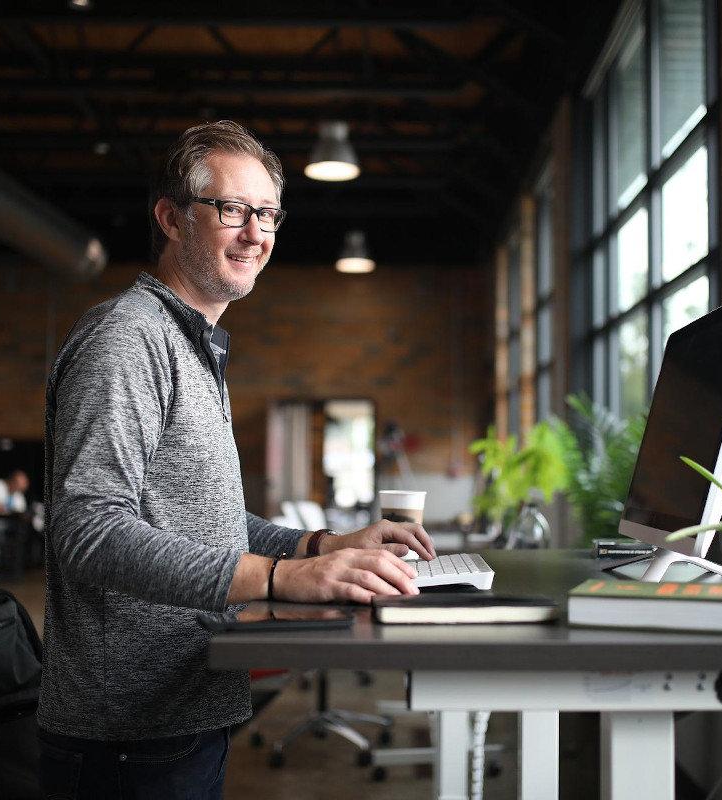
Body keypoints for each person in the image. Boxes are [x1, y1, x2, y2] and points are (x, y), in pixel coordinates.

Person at [37, 120, 437, 799]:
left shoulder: (192, 345)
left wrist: (321, 544)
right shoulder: (128, 340)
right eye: (232, 209)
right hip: (127, 733)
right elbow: (88, 530)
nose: (255, 234)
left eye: (268, 214)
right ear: (170, 217)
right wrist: (280, 578)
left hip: (180, 710)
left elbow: (204, 522)